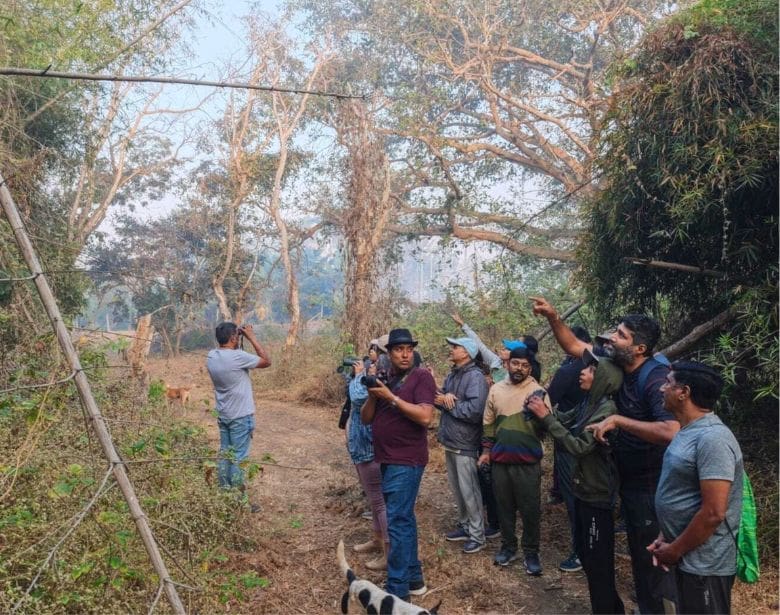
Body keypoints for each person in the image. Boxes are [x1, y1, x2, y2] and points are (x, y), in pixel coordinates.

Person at [531, 297, 679, 613]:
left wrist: (619, 421)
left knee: (646, 557)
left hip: (647, 484)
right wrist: (554, 317)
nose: (612, 337)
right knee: (610, 552)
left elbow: (671, 431)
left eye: (621, 335)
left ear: (640, 348)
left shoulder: (654, 378)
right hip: (618, 477)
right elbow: (573, 345)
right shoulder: (614, 363)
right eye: (616, 331)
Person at [527, 349, 625, 614]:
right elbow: (564, 421)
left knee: (598, 561)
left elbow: (579, 446)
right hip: (584, 490)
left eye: (591, 370)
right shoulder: (588, 403)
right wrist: (543, 411)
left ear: (604, 378)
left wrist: (546, 417)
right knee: (585, 553)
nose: (582, 372)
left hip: (598, 495)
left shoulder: (607, 409)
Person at [648, 362, 743, 615]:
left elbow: (713, 512)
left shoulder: (713, 440)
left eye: (668, 383)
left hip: (706, 565)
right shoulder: (688, 431)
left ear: (684, 392)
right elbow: (681, 492)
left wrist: (674, 550)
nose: (661, 388)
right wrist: (664, 537)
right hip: (683, 556)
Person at [361, 328, 437, 601]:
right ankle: (414, 579)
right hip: (387, 458)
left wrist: (392, 398)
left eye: (409, 349)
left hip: (407, 460)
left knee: (397, 521)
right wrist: (374, 395)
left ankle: (397, 591)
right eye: (398, 349)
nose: (405, 354)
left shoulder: (422, 377)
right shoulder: (388, 378)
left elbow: (426, 417)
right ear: (389, 354)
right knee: (404, 519)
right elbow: (366, 418)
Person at [479, 345, 549, 576]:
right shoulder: (496, 389)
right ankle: (508, 547)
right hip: (500, 461)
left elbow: (548, 426)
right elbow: (488, 423)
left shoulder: (538, 391)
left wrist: (538, 415)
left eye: (525, 365)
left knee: (530, 510)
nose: (520, 368)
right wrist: (486, 451)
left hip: (527, 462)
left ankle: (531, 553)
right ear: (508, 364)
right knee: (504, 507)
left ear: (531, 367)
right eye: (516, 363)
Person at [435, 336, 490, 554]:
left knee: (470, 491)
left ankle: (477, 535)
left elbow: (475, 411)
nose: (452, 349)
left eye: (456, 347)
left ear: (466, 352)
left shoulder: (475, 377)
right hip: (450, 439)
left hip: (465, 441)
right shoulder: (453, 374)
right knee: (458, 490)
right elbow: (439, 399)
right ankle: (465, 526)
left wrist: (449, 405)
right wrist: (443, 398)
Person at [206, 322, 271, 500]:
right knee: (239, 458)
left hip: (224, 414)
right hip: (241, 416)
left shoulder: (211, 356)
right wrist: (251, 337)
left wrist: (236, 337)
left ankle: (225, 496)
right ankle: (239, 501)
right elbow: (266, 361)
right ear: (234, 338)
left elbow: (227, 350)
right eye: (237, 335)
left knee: (225, 455)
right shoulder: (238, 357)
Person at [547, 325, 591, 572]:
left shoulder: (568, 371)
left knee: (574, 498)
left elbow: (549, 400)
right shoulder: (604, 371)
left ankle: (579, 550)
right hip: (591, 444)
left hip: (569, 443)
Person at [347, 354, 390, 571]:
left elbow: (357, 397)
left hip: (370, 448)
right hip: (362, 447)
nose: (370, 364)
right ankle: (377, 539)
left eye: (374, 360)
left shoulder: (382, 382)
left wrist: (359, 376)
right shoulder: (372, 379)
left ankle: (389, 553)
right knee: (374, 501)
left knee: (380, 502)